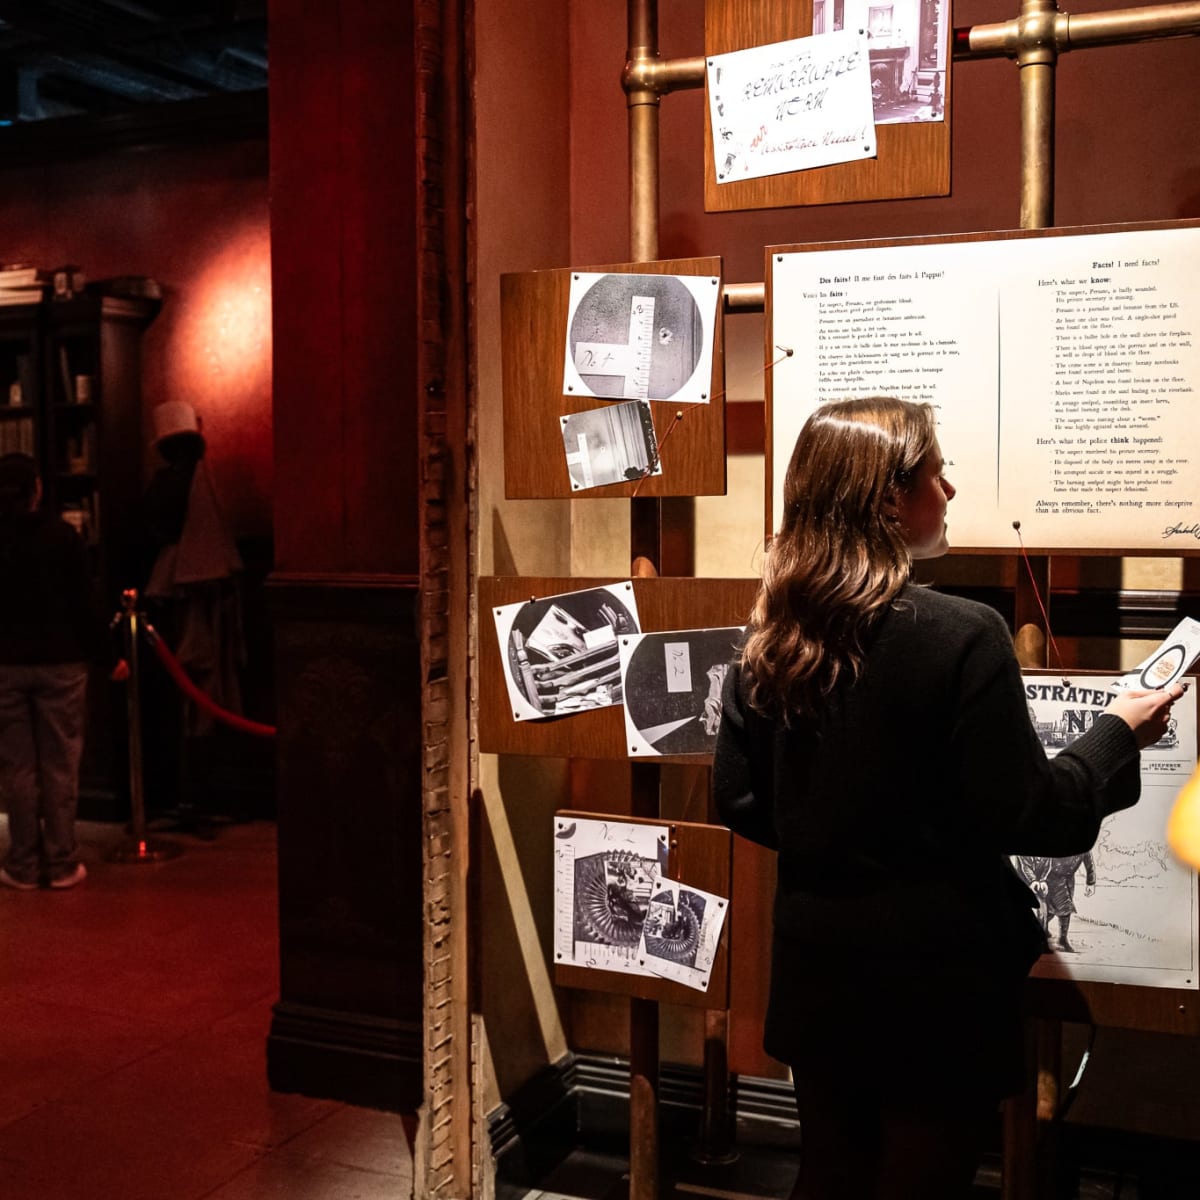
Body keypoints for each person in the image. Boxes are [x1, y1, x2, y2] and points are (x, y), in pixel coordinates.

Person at [712, 397, 1183, 1199]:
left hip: (818, 972)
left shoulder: (772, 637)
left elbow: (738, 799)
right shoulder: (963, 635)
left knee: (829, 1175)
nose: (951, 489)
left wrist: (841, 839)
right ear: (892, 500)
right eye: (937, 471)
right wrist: (1118, 732)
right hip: (938, 986)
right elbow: (1035, 814)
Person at [0, 453, 127, 890]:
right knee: (60, 765)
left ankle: (22, 864)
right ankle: (61, 862)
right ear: (37, 488)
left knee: (17, 769)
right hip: (61, 663)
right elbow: (84, 605)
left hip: (5, 665)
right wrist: (109, 657)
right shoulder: (62, 536)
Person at [135, 401, 244, 832]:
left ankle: (181, 795)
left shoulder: (164, 487)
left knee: (180, 697)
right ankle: (198, 795)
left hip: (170, 600)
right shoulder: (203, 483)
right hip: (196, 602)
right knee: (201, 692)